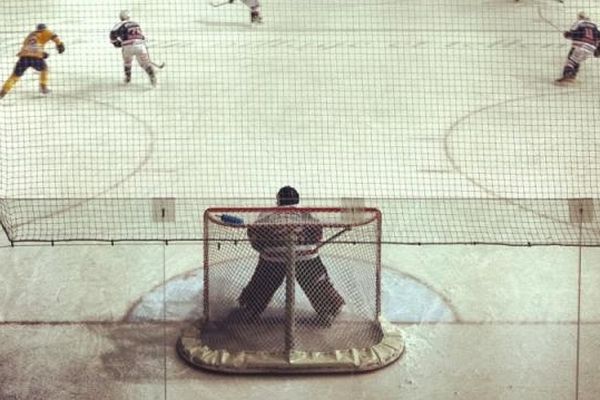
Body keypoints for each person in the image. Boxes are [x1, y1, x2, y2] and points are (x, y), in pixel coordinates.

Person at [236, 186, 345, 327]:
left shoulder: (267, 214)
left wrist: (265, 248)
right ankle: (328, 310)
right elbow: (317, 234)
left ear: (279, 200)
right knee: (316, 283)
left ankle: (250, 309)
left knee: (262, 283)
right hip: (305, 257)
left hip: (273, 259)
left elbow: (255, 236)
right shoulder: (306, 213)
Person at [0, 23, 65, 99]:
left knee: (15, 76)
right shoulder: (46, 31)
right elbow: (55, 38)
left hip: (23, 58)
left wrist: (42, 53)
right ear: (44, 28)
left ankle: (3, 91)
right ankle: (43, 87)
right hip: (36, 57)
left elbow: (27, 45)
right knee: (44, 69)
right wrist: (60, 44)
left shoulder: (31, 35)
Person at [110, 10, 157, 87]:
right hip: (140, 46)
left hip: (128, 47)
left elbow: (112, 36)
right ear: (129, 17)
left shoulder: (118, 25)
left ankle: (128, 78)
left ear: (120, 17)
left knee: (127, 63)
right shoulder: (136, 24)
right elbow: (142, 37)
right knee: (145, 64)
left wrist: (117, 43)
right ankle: (152, 77)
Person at [555, 11, 600, 85]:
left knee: (571, 60)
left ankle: (568, 76)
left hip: (580, 45)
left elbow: (574, 34)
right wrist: (598, 49)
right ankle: (573, 76)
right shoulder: (595, 25)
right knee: (577, 60)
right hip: (591, 47)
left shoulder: (579, 23)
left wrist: (567, 34)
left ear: (579, 17)